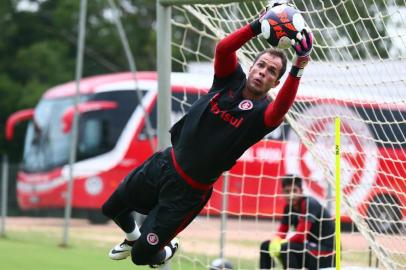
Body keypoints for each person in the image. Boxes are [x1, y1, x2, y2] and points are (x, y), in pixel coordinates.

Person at [101, 10, 313, 268]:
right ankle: (133, 237)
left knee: (141, 257)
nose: (262, 73)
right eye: (260, 65)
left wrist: (299, 65)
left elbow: (281, 108)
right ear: (252, 66)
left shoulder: (263, 115)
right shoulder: (228, 81)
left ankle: (166, 249)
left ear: (276, 82)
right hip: (165, 163)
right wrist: (257, 25)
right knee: (112, 208)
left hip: (188, 192)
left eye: (271, 72)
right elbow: (224, 49)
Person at [259, 175, 336, 269]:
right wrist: (275, 240)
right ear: (283, 192)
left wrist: (281, 243)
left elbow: (300, 236)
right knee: (266, 246)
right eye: (287, 191)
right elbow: (282, 231)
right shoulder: (288, 208)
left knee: (286, 247)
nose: (291, 195)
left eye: (294, 191)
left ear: (301, 191)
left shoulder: (309, 204)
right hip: (308, 247)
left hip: (327, 252)